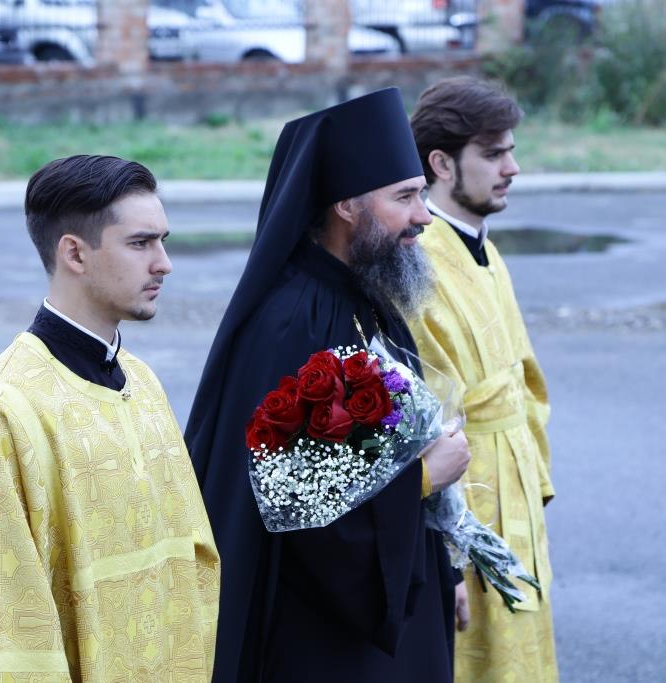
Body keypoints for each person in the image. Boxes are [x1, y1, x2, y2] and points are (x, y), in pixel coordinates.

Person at [184, 88, 471, 683]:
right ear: (346, 205)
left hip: (392, 601)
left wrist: (446, 564)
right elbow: (299, 510)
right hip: (325, 635)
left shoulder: (362, 294)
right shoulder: (295, 321)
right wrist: (423, 478)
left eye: (421, 194)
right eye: (405, 197)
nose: (424, 215)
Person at [0, 155, 220, 682]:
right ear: (74, 252)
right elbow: (0, 628)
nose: (164, 263)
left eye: (162, 241)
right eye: (141, 243)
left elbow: (190, 566)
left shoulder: (142, 381)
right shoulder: (1, 412)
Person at [409, 77, 558, 682]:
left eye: (511, 152)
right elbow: (419, 418)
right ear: (442, 164)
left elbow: (528, 382)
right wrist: (443, 558)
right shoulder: (414, 258)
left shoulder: (486, 250)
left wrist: (533, 478)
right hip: (464, 500)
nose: (512, 168)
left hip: (515, 486)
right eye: (493, 154)